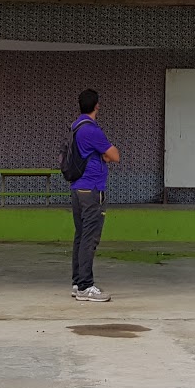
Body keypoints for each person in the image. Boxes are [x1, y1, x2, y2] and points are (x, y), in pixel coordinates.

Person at [69, 88, 119, 302]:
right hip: (91, 190)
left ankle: (77, 282)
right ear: (97, 105)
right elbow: (114, 155)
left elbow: (103, 155)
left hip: (78, 189)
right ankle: (86, 286)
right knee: (90, 238)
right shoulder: (92, 130)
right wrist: (104, 155)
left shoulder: (76, 126)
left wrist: (102, 155)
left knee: (81, 237)